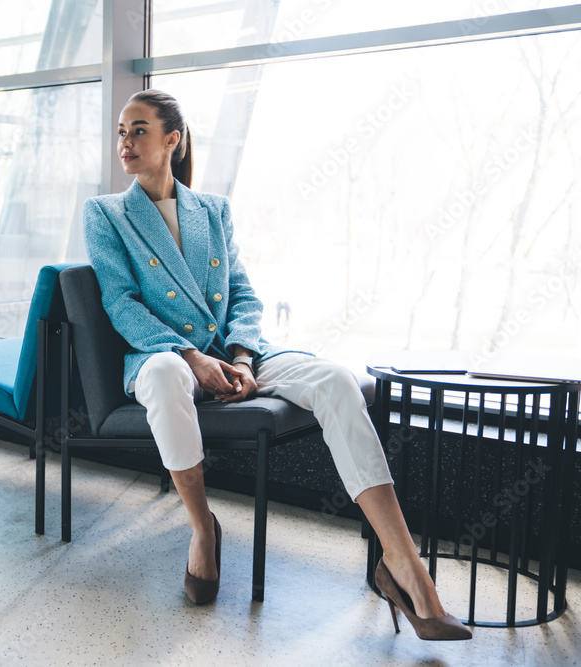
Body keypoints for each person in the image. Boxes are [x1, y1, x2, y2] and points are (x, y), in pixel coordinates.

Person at [81, 89, 470, 641]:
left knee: (335, 380)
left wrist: (239, 356)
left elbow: (243, 294)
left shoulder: (211, 210)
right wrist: (192, 355)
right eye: (121, 131)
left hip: (231, 351)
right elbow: (121, 302)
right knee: (169, 375)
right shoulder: (106, 213)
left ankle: (401, 563)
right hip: (160, 353)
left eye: (138, 129)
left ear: (172, 139)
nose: (125, 141)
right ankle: (202, 530)